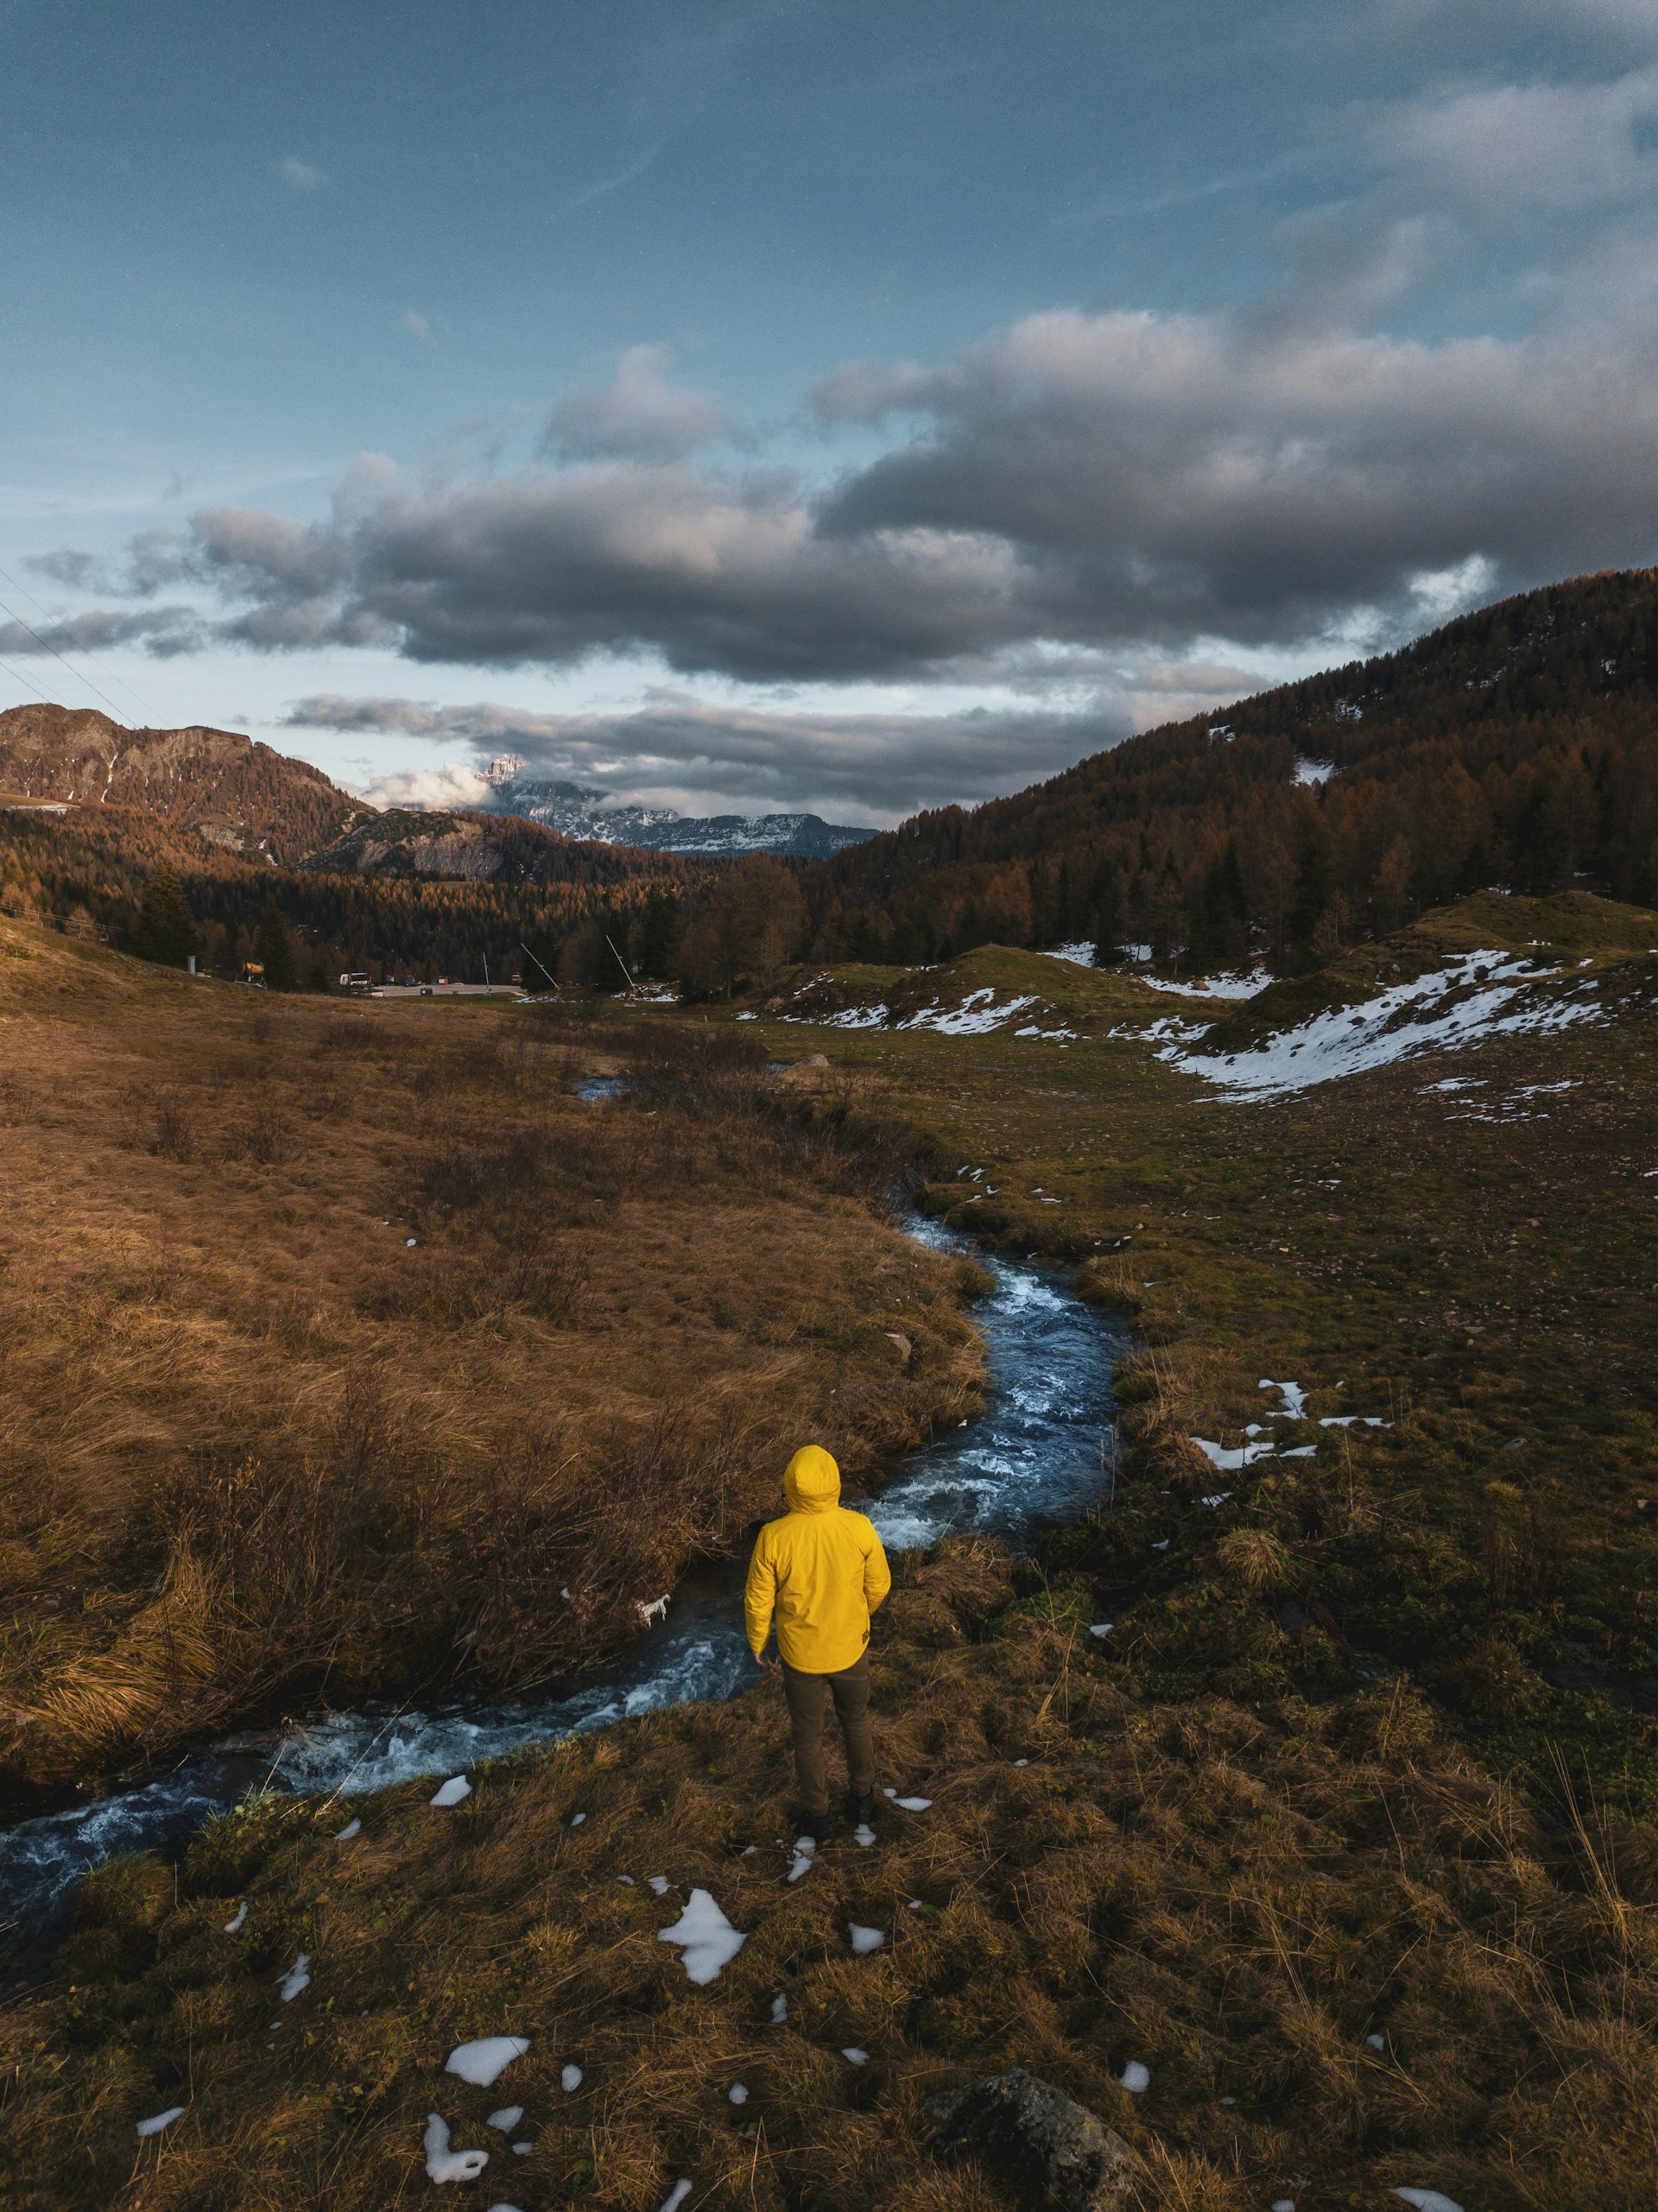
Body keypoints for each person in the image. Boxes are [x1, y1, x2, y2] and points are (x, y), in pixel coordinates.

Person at [744, 1444, 891, 1842]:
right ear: (834, 1483)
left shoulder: (773, 1536)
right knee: (856, 1722)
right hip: (850, 1648)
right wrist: (860, 1617)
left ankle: (819, 1818)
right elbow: (879, 1586)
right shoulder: (858, 1527)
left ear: (790, 1484)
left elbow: (759, 1599)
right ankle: (863, 1801)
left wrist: (758, 1641)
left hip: (801, 1657)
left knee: (807, 1738)